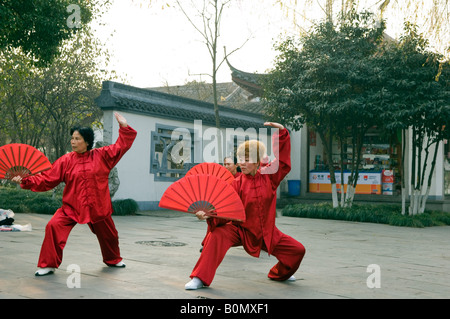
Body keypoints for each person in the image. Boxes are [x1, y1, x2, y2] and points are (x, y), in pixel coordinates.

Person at [11, 112, 137, 276]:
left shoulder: (102, 156)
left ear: (87, 141)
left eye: (77, 139)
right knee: (53, 226)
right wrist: (25, 181)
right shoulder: (66, 160)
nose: (73, 141)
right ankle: (47, 264)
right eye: (72, 138)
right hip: (72, 206)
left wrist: (124, 126)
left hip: (98, 206)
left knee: (109, 235)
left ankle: (113, 259)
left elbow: (121, 146)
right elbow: (47, 178)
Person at [185, 122, 306, 290]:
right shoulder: (236, 184)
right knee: (217, 235)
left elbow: (283, 163)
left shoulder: (269, 176)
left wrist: (281, 133)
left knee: (297, 250)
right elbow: (225, 208)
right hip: (239, 230)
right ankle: (199, 277)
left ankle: (279, 273)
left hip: (266, 232)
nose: (241, 163)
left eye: (246, 160)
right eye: (240, 159)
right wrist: (208, 215)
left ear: (257, 162)